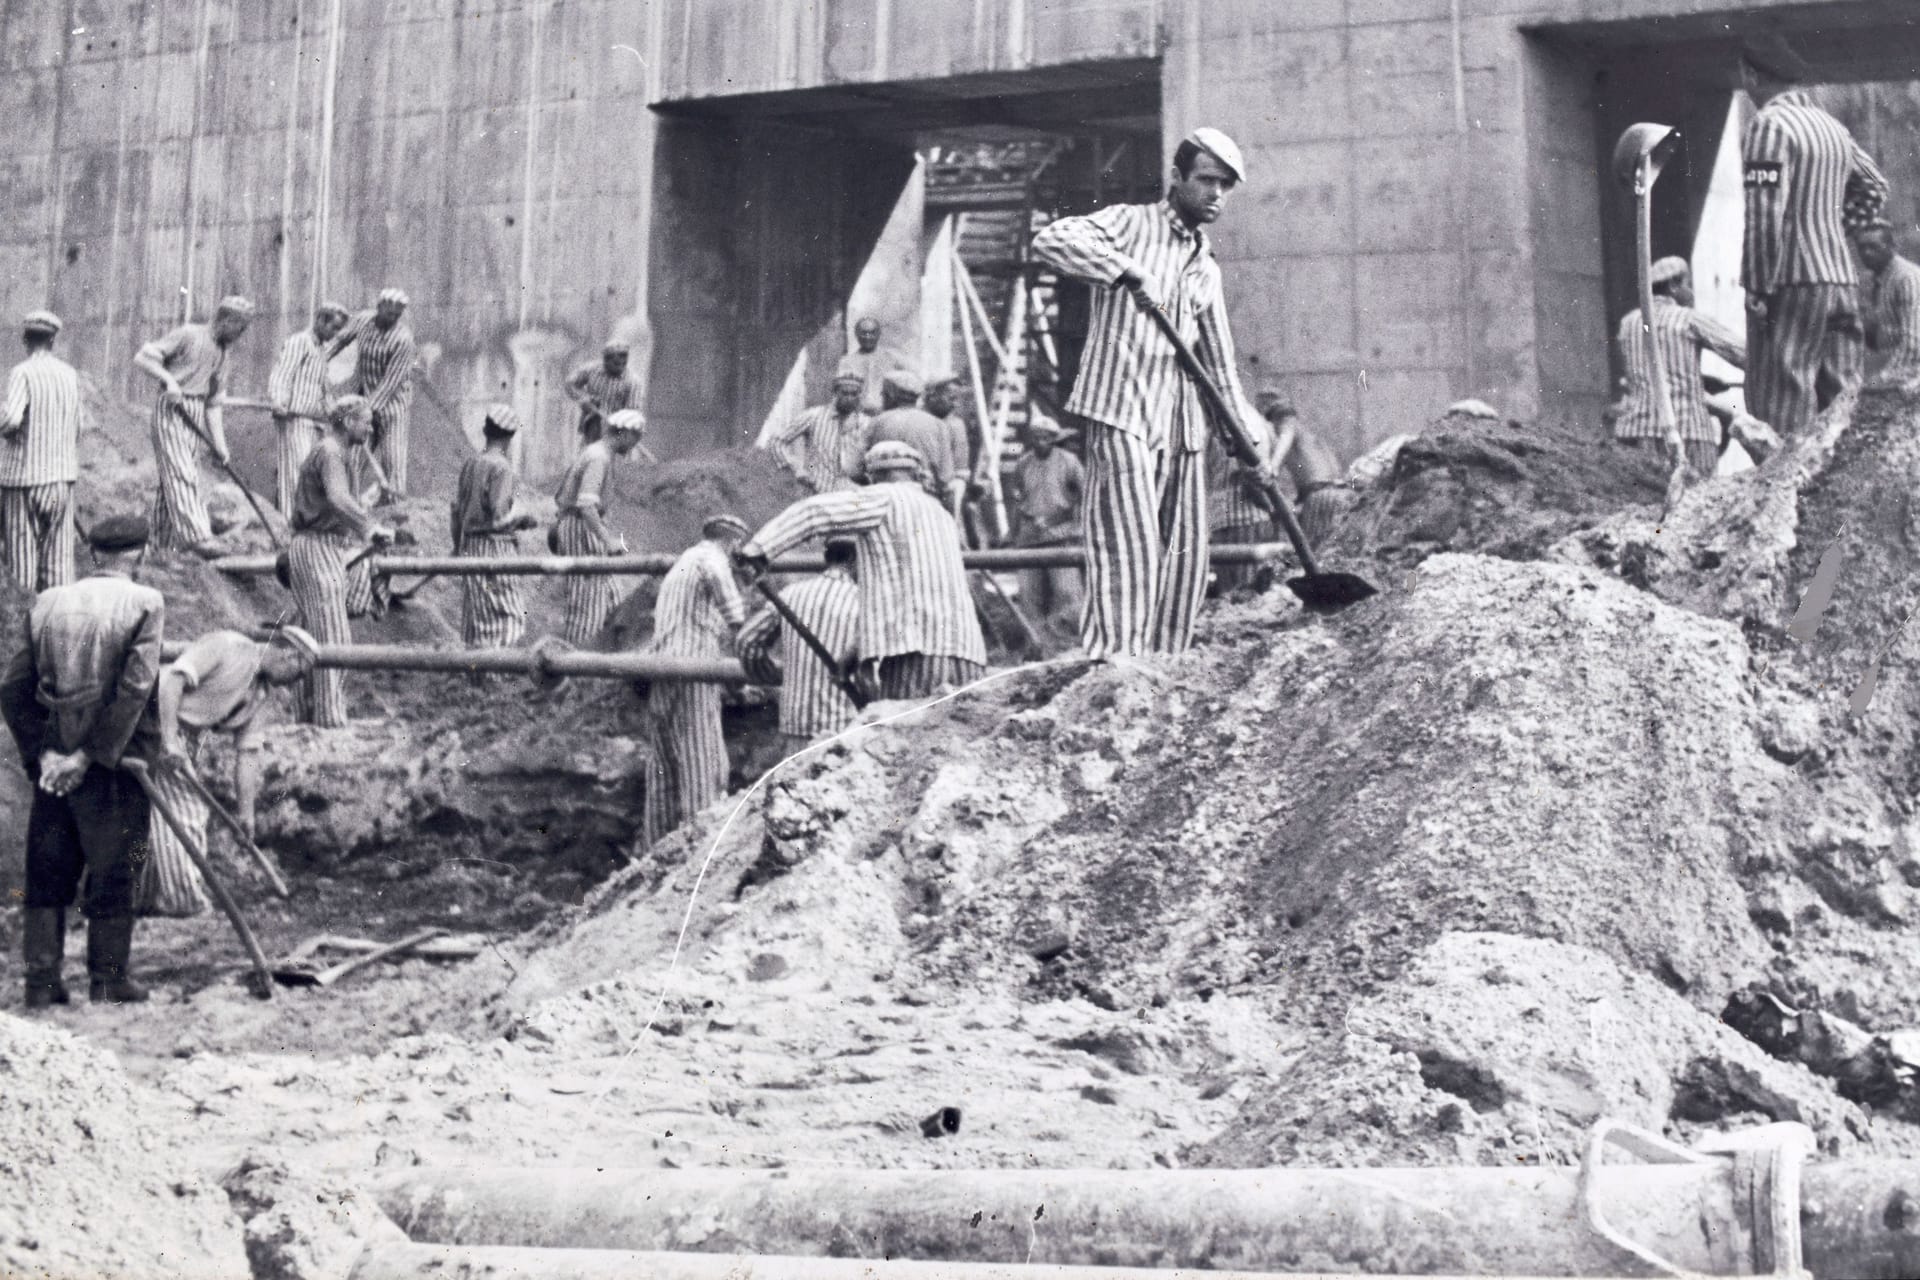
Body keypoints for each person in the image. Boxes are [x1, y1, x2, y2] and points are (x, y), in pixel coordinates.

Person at [1030, 127, 1261, 658]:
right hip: (1122, 410)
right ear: (1177, 178)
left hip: (1182, 428)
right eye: (1206, 180)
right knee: (1129, 547)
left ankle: (1164, 669)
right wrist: (1122, 270)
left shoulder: (1206, 268)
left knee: (1186, 555)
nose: (1216, 194)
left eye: (1225, 186)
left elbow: (1221, 369)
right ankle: (1114, 664)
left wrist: (1246, 443)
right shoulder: (1130, 224)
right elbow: (1052, 240)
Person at [0, 515, 163, 1006]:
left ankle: (42, 981)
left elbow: (12, 687)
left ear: (93, 556)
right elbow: (135, 689)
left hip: (53, 761)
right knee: (121, 862)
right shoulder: (145, 603)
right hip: (117, 761)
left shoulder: (49, 601)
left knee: (48, 866)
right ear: (139, 555)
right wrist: (91, 755)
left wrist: (44, 755)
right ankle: (109, 979)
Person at [738, 441, 986, 700]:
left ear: (871, 476)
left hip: (916, 655)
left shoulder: (882, 498)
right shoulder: (942, 515)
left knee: (907, 735)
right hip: (968, 653)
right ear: (915, 472)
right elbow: (909, 593)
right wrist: (857, 651)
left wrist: (758, 549)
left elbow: (815, 511)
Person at [1740, 33, 1888, 435]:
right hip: (1841, 280)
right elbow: (1875, 185)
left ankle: (1780, 492)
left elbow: (1763, 213)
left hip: (1791, 283)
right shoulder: (1833, 128)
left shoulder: (1768, 125)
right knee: (1841, 403)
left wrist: (1756, 285)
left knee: (1781, 401)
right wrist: (1836, 230)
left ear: (1751, 75)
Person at [139, 627, 318, 917]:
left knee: (152, 813)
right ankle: (186, 903)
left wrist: (245, 813)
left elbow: (247, 753)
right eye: (299, 673)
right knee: (188, 811)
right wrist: (170, 739)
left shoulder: (262, 694)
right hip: (150, 716)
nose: (296, 682)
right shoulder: (228, 646)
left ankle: (143, 899)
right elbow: (172, 680)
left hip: (181, 737)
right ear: (289, 654)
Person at [639, 515, 749, 846]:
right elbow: (737, 622)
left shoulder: (682, 564)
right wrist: (748, 666)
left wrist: (734, 686)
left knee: (665, 771)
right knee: (704, 766)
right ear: (733, 543)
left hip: (663, 672)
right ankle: (700, 851)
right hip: (693, 675)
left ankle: (654, 855)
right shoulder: (712, 560)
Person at [288, 396, 394, 727]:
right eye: (366, 421)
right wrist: (368, 526)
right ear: (348, 422)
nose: (371, 427)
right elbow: (336, 499)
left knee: (311, 636)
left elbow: (332, 501)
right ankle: (330, 721)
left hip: (322, 546)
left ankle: (308, 718)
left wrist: (362, 505)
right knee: (333, 638)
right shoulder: (331, 452)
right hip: (317, 547)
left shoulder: (334, 453)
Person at [133, 295, 255, 556]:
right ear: (226, 320)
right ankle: (199, 538)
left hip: (195, 411)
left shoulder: (223, 353)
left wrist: (221, 446)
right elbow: (143, 357)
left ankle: (159, 548)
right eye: (240, 327)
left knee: (172, 481)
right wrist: (169, 380)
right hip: (172, 410)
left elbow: (213, 404)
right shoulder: (188, 334)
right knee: (182, 472)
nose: (241, 334)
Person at [1611, 256, 1749, 478]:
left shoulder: (1628, 323)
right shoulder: (1688, 319)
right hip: (1688, 432)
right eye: (1688, 284)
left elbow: (1647, 371)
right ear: (1674, 286)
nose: (1692, 292)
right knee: (1699, 501)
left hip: (1636, 434)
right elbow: (1742, 354)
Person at [735, 537, 861, 750]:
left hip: (796, 725)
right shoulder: (864, 601)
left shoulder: (790, 594)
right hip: (844, 731)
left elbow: (746, 641)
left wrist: (771, 676)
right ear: (853, 559)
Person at [0, 310, 82, 591]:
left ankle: (24, 628)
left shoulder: (22, 372)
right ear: (53, 340)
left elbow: (11, 420)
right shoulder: (69, 375)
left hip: (24, 480)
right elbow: (78, 426)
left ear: (25, 339)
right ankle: (57, 630)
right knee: (59, 569)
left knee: (22, 569)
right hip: (62, 480)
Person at [552, 409, 648, 645]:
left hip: (583, 525)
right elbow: (586, 505)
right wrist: (608, 540)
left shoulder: (600, 453)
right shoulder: (598, 457)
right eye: (635, 439)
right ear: (625, 433)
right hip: (580, 528)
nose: (635, 445)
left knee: (612, 598)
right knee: (587, 606)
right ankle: (576, 665)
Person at [452, 405, 539, 650]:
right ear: (510, 437)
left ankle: (476, 678)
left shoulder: (471, 463)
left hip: (470, 545)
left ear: (485, 430)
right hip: (494, 548)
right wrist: (522, 516)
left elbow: (456, 511)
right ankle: (500, 675)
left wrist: (456, 547)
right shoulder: (501, 467)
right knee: (508, 616)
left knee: (476, 618)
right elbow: (500, 518)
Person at [328, 288, 418, 493]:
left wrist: (365, 411)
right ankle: (349, 502)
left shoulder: (403, 340)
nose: (392, 318)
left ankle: (396, 506)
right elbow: (339, 341)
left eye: (397, 315)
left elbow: (390, 384)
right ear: (379, 307)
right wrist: (319, 359)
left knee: (392, 461)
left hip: (392, 407)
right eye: (389, 313)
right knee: (353, 457)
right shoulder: (363, 321)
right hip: (364, 399)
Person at [267, 301, 350, 516]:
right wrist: (278, 401)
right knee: (294, 472)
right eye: (334, 327)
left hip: (314, 421)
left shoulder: (321, 350)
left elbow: (323, 388)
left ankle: (303, 522)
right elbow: (282, 374)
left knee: (310, 474)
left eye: (339, 330)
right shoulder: (299, 342)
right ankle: (289, 524)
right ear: (321, 320)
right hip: (294, 418)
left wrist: (333, 410)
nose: (335, 334)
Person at [1005, 420, 1085, 632]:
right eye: (1037, 437)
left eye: (1046, 438)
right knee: (1029, 593)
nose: (1040, 442)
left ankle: (1070, 638)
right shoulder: (1023, 464)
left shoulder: (1069, 461)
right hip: (1030, 536)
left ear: (1053, 439)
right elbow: (1018, 498)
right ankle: (1035, 639)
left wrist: (1070, 519)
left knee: (1066, 591)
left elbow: (1085, 494)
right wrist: (1013, 533)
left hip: (1061, 535)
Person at [865, 370, 967, 515]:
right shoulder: (938, 425)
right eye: (951, 398)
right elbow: (946, 481)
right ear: (930, 395)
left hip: (882, 504)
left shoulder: (877, 422)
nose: (955, 405)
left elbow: (854, 469)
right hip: (924, 505)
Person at [1267, 393, 1350, 546]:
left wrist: (1271, 467)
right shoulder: (1310, 436)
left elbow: (1285, 438)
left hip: (1320, 496)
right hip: (1337, 492)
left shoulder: (1288, 427)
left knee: (1312, 550)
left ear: (1276, 421)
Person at [768, 371, 869, 493]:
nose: (849, 398)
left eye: (854, 394)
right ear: (835, 393)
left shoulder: (866, 424)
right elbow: (777, 441)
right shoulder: (814, 416)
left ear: (860, 395)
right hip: (816, 491)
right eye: (845, 393)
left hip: (851, 496)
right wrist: (796, 467)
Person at [1854, 221, 1920, 388]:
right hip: (1895, 369)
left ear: (1892, 247)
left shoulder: (1907, 278)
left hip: (1911, 373)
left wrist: (1882, 379)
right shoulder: (1874, 279)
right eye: (1861, 247)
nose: (1866, 253)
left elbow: (1913, 345)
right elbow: (1879, 335)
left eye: (1873, 246)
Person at [564, 340, 643, 443]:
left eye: (624, 361)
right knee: (588, 454)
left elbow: (633, 413)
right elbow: (570, 383)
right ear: (606, 360)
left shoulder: (633, 382)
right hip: (591, 426)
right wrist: (584, 398)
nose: (620, 365)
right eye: (615, 363)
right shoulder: (592, 369)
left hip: (616, 434)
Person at [837, 317, 890, 415]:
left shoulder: (890, 359)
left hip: (885, 414)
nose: (867, 337)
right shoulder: (847, 361)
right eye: (864, 333)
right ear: (856, 335)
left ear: (878, 334)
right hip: (857, 415)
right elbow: (842, 391)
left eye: (872, 333)